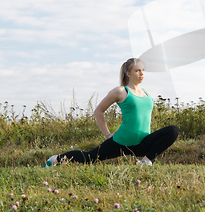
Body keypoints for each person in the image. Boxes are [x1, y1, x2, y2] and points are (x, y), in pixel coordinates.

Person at [43, 58, 179, 167]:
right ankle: (55, 159)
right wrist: (107, 134)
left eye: (143, 70)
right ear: (128, 73)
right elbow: (98, 111)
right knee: (89, 158)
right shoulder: (121, 91)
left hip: (142, 143)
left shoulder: (146, 94)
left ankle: (145, 161)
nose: (141, 73)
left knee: (172, 131)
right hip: (121, 142)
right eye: (137, 70)